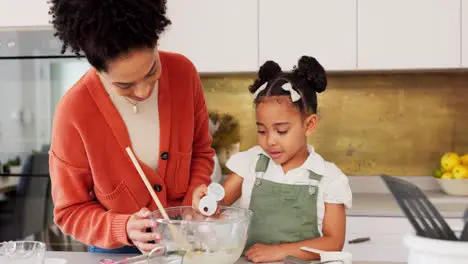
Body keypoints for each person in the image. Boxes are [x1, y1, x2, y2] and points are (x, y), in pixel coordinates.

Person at [48, 0, 214, 254]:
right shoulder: (74, 111)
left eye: (151, 71)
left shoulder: (183, 74)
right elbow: (70, 211)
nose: (144, 91)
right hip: (117, 251)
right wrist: (123, 227)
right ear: (97, 68)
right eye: (125, 85)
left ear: (156, 42)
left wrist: (194, 195)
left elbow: (201, 152)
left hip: (186, 240)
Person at [193, 56, 352, 263]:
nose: (270, 141)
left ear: (309, 125)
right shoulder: (250, 162)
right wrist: (206, 200)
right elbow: (219, 205)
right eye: (262, 130)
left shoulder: (329, 178)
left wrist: (280, 251)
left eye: (281, 130)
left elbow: (333, 242)